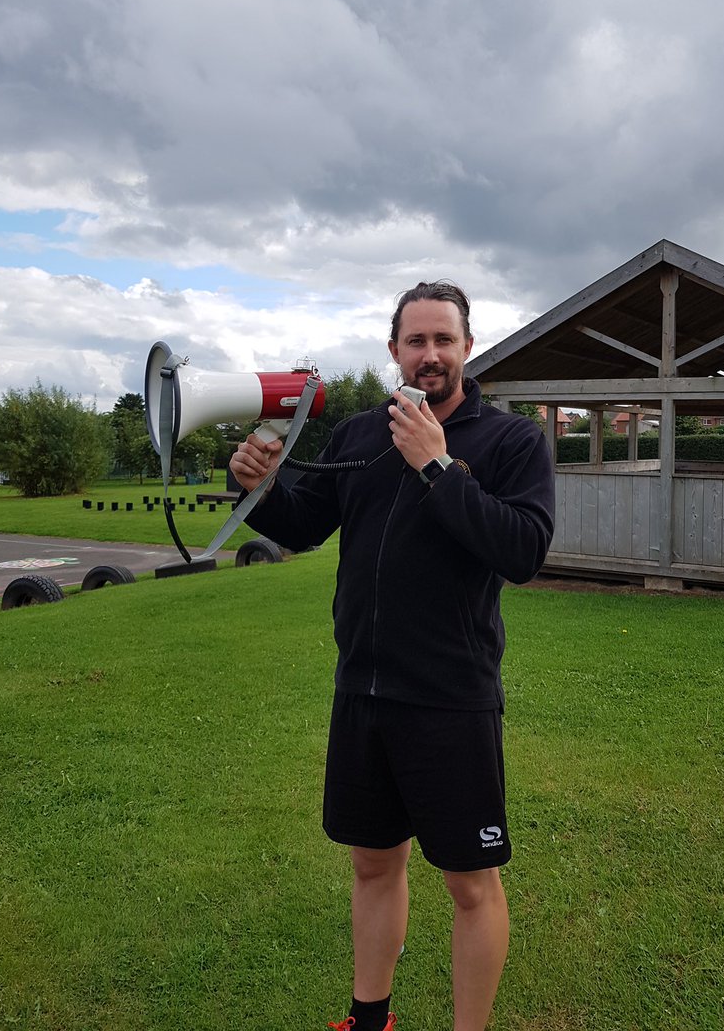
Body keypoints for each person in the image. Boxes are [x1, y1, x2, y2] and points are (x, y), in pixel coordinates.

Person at [229, 281, 555, 1031]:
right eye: (416, 340)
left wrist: (438, 467)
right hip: (363, 690)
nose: (431, 354)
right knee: (373, 864)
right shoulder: (358, 434)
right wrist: (256, 484)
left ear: (468, 348)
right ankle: (369, 1018)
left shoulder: (509, 441)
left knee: (470, 884)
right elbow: (306, 524)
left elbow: (524, 551)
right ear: (394, 351)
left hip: (451, 696)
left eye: (445, 339)